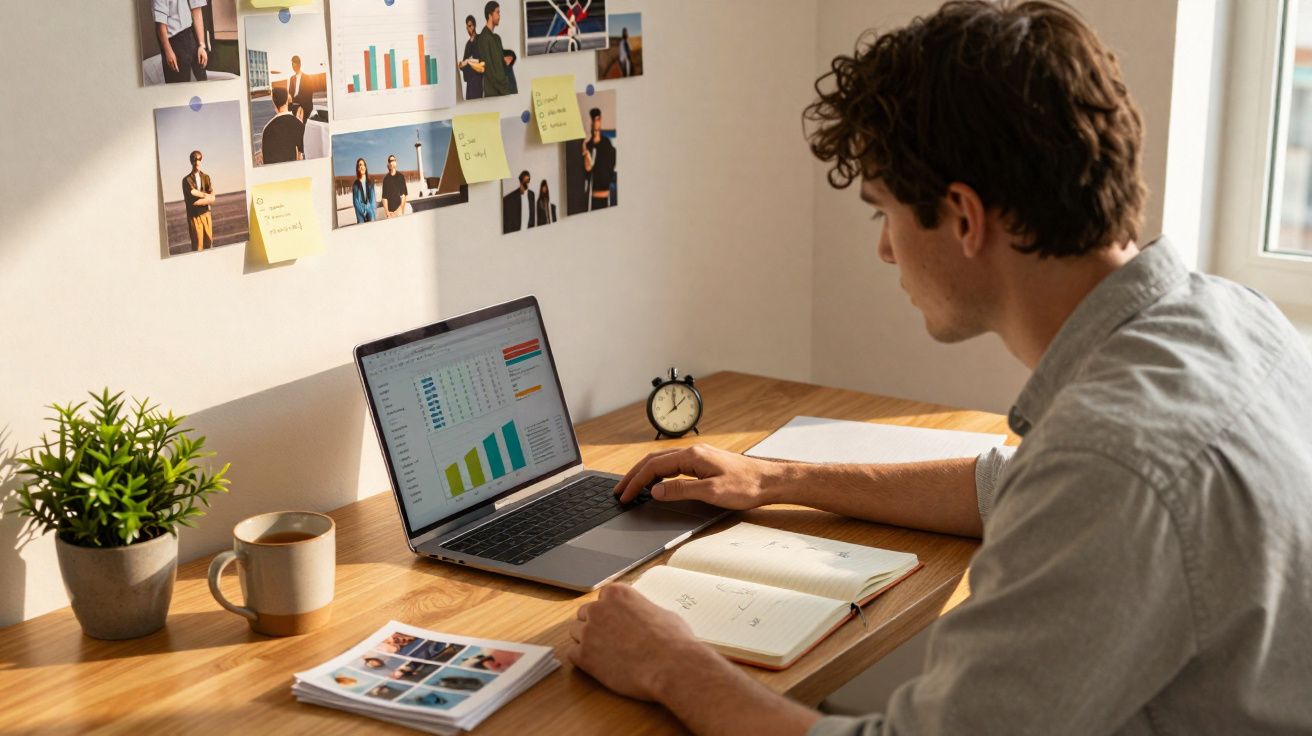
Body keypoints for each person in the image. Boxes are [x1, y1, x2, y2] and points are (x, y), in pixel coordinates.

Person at [569, 2, 1312, 735]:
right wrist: (775, 479)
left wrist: (671, 663)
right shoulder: (1228, 317)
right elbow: (1010, 486)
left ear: (963, 216)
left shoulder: (1112, 458)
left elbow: (1087, 484)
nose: (886, 250)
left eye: (883, 211)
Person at [153, 0, 208, 83]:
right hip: (173, 42)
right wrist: (168, 51)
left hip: (191, 35)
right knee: (178, 87)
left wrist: (202, 45)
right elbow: (160, 24)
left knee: (202, 81)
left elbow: (197, 10)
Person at [472, 2, 513, 97]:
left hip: (502, 90)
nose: (499, 16)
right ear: (490, 15)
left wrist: (504, 60)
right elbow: (488, 68)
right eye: (497, 12)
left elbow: (498, 64)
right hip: (493, 94)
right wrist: (504, 88)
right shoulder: (483, 38)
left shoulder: (496, 38)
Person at [260, 86, 304, 165]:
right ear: (287, 101)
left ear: (274, 102)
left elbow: (265, 159)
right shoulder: (298, 124)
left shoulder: (266, 128)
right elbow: (306, 152)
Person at [181, 149, 215, 251]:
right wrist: (206, 197)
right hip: (194, 216)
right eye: (194, 159)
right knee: (198, 246)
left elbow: (212, 196)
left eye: (199, 159)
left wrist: (208, 199)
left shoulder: (206, 177)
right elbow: (193, 192)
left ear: (201, 160)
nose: (197, 162)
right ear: (191, 161)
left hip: (206, 214)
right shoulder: (186, 180)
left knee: (209, 244)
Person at [582, 108, 615, 210]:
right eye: (593, 120)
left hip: (606, 194)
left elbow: (611, 164)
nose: (595, 122)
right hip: (593, 195)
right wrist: (586, 155)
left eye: (598, 119)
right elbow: (587, 169)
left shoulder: (607, 143)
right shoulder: (588, 145)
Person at [458, 14, 485, 100]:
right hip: (469, 82)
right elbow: (463, 64)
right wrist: (461, 64)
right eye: (467, 27)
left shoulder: (480, 39)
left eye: (470, 26)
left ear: (474, 25)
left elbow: (482, 60)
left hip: (478, 80)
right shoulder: (468, 44)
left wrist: (469, 61)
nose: (468, 29)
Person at [288, 55, 315, 123]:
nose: (293, 67)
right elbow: (290, 93)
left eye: (295, 65)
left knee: (303, 127)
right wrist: (290, 107)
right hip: (294, 107)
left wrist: (302, 107)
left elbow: (309, 95)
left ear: (299, 65)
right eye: (292, 65)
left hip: (304, 107)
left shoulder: (307, 78)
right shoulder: (292, 78)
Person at [381, 154, 408, 218]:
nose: (392, 162)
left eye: (393, 160)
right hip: (390, 213)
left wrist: (401, 210)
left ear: (396, 162)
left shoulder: (401, 177)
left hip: (399, 211)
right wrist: (387, 213)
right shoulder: (386, 179)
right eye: (390, 161)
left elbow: (404, 195)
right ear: (388, 164)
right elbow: (384, 198)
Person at [352, 157, 377, 224]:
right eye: (360, 165)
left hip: (370, 209)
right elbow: (356, 202)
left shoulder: (370, 182)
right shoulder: (355, 184)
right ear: (358, 168)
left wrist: (371, 211)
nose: (362, 166)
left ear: (365, 167)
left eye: (363, 165)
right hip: (360, 211)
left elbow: (373, 200)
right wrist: (363, 210)